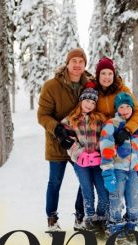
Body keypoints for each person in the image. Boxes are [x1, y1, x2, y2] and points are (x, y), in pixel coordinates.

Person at [36, 48, 93, 231]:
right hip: (57, 144)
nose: (77, 65)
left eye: (81, 62)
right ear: (67, 63)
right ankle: (52, 219)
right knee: (55, 182)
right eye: (74, 61)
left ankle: (79, 217)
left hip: (81, 145)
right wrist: (58, 129)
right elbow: (43, 115)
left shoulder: (90, 86)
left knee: (86, 182)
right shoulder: (51, 86)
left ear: (85, 65)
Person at [94, 57, 138, 225]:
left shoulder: (123, 90)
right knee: (106, 188)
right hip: (103, 143)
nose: (107, 77)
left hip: (125, 142)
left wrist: (127, 129)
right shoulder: (93, 90)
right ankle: (103, 219)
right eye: (103, 73)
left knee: (134, 192)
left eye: (110, 73)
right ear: (98, 75)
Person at [60, 83, 109, 230]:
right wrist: (79, 153)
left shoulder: (100, 119)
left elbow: (107, 138)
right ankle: (89, 220)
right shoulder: (70, 120)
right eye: (87, 101)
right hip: (81, 164)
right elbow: (68, 142)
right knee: (87, 193)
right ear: (81, 100)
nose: (89, 104)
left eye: (93, 102)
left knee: (104, 194)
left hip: (98, 163)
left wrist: (100, 152)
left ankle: (100, 219)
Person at [100, 91, 138, 239]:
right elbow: (106, 150)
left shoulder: (136, 128)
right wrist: (108, 175)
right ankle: (115, 229)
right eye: (121, 107)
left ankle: (131, 226)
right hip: (117, 171)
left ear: (133, 108)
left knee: (134, 200)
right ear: (116, 109)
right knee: (116, 200)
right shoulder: (111, 125)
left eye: (128, 106)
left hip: (133, 171)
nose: (125, 110)